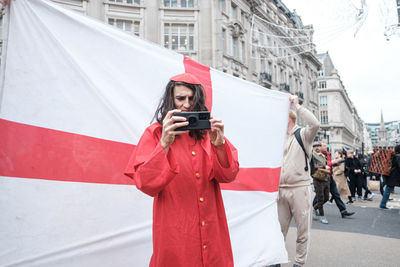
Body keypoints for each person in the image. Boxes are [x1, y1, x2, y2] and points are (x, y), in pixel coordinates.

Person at [125, 73, 239, 266]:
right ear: (171, 100)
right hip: (176, 230)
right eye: (180, 98)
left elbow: (228, 175)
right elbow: (145, 183)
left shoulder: (208, 132)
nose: (186, 104)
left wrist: (219, 146)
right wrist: (164, 144)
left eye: (191, 98)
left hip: (211, 227)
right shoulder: (155, 133)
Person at [278, 95, 319, 267]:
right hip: (281, 189)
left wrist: (297, 106)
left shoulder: (303, 134)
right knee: (278, 230)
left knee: (303, 231)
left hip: (300, 188)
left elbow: (315, 124)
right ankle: (276, 259)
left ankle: (299, 263)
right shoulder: (277, 138)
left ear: (289, 118)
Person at [315, 142, 355, 218]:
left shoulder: (328, 153)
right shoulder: (317, 154)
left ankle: (343, 211)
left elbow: (329, 165)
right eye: (324, 146)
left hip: (329, 176)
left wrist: (336, 164)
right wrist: (332, 163)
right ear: (320, 147)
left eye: (325, 145)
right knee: (319, 196)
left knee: (336, 194)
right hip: (322, 177)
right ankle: (314, 208)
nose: (326, 147)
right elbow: (321, 165)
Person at [311, 142, 330, 224]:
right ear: (313, 147)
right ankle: (322, 217)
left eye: (319, 146)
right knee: (320, 198)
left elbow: (325, 165)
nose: (318, 147)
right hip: (317, 178)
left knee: (326, 198)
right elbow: (312, 166)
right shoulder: (311, 156)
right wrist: (323, 167)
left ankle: (314, 208)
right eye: (315, 146)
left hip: (325, 178)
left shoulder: (323, 156)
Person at [380, 145, 400, 209]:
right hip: (394, 177)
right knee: (388, 190)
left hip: (389, 175)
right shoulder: (398, 157)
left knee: (388, 189)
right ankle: (382, 204)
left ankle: (383, 204)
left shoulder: (392, 155)